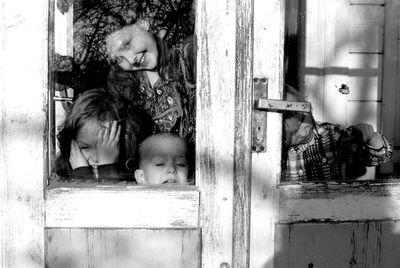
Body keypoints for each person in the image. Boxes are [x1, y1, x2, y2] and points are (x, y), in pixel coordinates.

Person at [105, 19, 196, 144]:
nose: (131, 60)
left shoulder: (188, 56)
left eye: (127, 45)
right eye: (119, 59)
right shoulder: (126, 86)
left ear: (143, 25)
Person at [282, 85, 393, 181]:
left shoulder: (331, 135)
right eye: (293, 137)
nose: (302, 133)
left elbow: (382, 156)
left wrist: (370, 136)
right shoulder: (278, 152)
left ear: (306, 105)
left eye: (301, 116)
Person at [55, 88, 151, 181]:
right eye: (85, 147)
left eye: (108, 144)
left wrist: (107, 168)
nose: (96, 158)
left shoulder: (138, 176)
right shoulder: (61, 179)